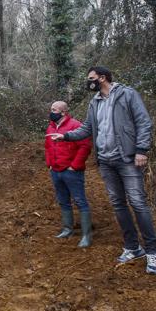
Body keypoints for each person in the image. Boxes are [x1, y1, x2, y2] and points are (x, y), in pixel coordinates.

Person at [47, 67, 156, 274]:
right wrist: (66, 136)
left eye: (91, 79)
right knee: (118, 204)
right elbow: (87, 129)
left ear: (102, 78)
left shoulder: (127, 94)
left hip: (127, 158)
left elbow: (143, 122)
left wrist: (141, 150)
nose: (88, 82)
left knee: (137, 203)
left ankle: (152, 252)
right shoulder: (94, 102)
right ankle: (133, 247)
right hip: (106, 161)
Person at [44, 101, 93, 248]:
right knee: (63, 200)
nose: (51, 111)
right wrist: (50, 164)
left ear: (63, 112)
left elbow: (85, 147)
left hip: (72, 171)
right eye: (51, 109)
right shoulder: (51, 126)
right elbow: (47, 147)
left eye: (54, 109)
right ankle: (67, 229)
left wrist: (75, 166)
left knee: (80, 201)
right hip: (56, 170)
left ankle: (86, 236)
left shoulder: (75, 125)